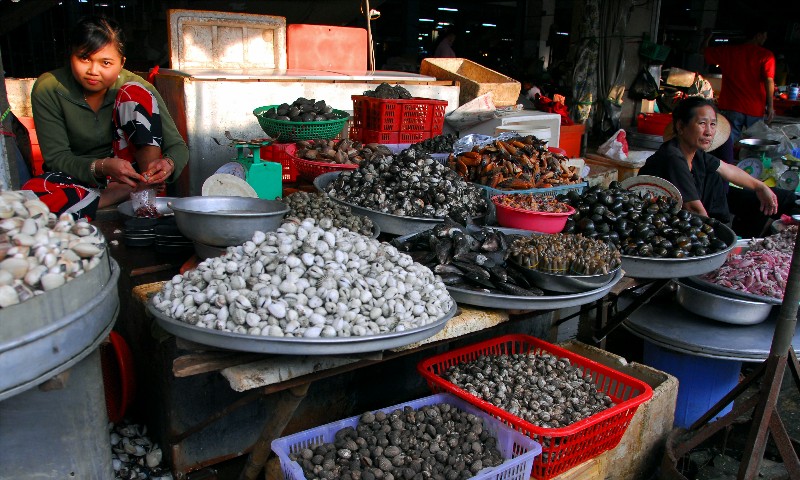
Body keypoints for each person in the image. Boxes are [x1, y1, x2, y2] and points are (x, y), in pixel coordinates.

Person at [23, 15, 188, 219]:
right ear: (70, 54)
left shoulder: (140, 87)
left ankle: (146, 191)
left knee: (134, 94)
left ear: (121, 63)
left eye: (106, 63)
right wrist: (102, 167)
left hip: (133, 176)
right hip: (77, 179)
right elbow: (57, 158)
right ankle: (117, 194)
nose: (93, 71)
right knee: (32, 198)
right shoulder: (49, 88)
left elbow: (178, 148)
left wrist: (167, 165)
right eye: (84, 58)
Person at [640, 97, 795, 238]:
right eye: (702, 123)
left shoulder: (696, 154)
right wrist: (718, 240)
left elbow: (728, 169)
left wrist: (760, 186)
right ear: (681, 126)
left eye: (712, 124)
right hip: (657, 230)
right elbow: (694, 209)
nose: (709, 132)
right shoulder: (673, 157)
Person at [703, 26, 775, 144]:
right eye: (765, 35)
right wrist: (770, 106)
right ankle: (748, 162)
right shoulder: (766, 56)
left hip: (731, 106)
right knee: (755, 145)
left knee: (727, 143)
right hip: (754, 108)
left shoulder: (728, 52)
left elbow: (704, 51)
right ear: (758, 35)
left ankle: (727, 162)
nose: (765, 39)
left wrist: (707, 38)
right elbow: (769, 80)